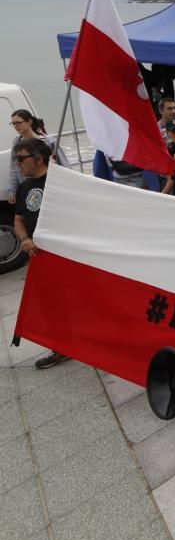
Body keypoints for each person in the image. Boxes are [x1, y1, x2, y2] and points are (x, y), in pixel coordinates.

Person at [13, 139, 69, 370]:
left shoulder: (61, 183)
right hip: (40, 258)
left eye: (21, 159)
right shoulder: (24, 187)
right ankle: (61, 347)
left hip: (65, 256)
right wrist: (24, 239)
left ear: (38, 158)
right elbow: (18, 220)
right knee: (51, 304)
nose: (17, 164)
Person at [7, 110, 67, 204]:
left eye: (18, 122)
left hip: (49, 186)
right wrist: (12, 190)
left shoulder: (48, 142)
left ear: (29, 122)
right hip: (28, 188)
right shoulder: (16, 143)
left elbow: (64, 164)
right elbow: (14, 168)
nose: (15, 126)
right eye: (13, 123)